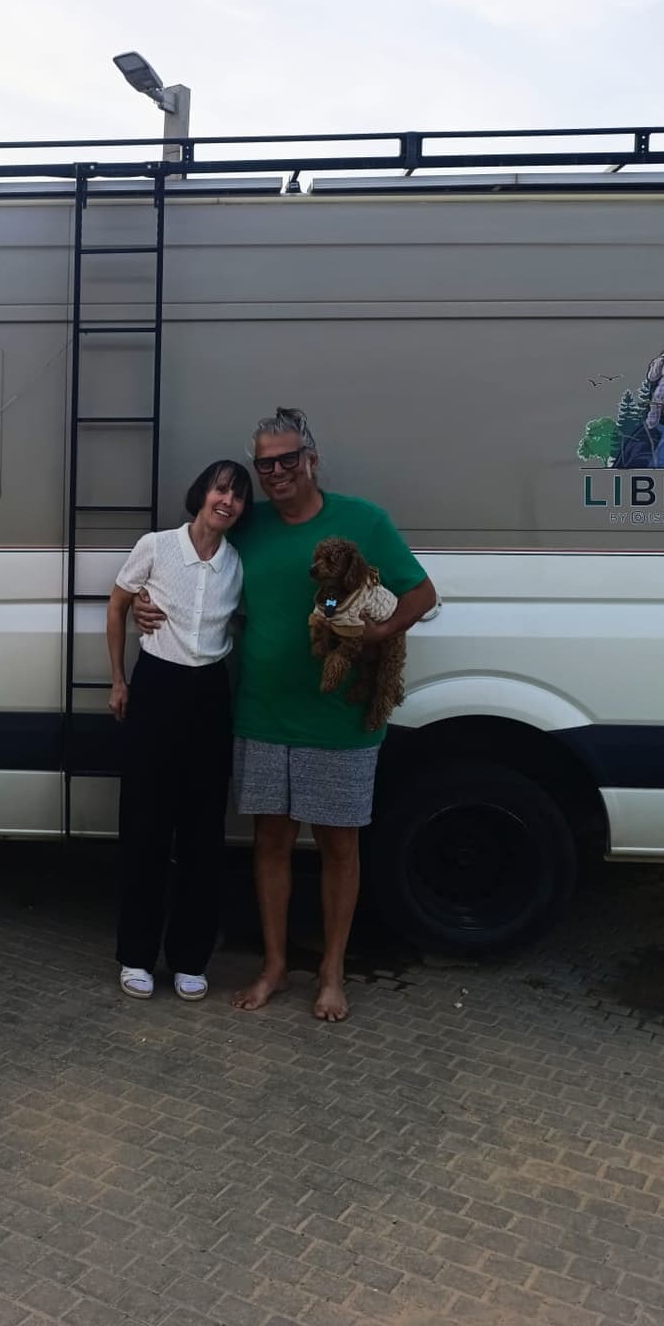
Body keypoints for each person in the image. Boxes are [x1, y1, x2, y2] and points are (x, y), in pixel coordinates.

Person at [133, 409, 436, 1022]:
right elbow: (192, 559)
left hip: (339, 719)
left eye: (287, 459)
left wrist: (377, 634)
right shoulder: (251, 527)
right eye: (264, 464)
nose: (275, 472)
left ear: (312, 459)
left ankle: (331, 974)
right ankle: (273, 966)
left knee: (338, 848)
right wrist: (144, 600)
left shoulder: (363, 520)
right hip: (261, 713)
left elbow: (422, 593)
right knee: (270, 843)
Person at [105, 460, 252, 1001]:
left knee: (201, 834)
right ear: (202, 494)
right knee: (145, 827)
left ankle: (191, 958)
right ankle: (136, 956)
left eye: (238, 496)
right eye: (220, 489)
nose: (227, 501)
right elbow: (119, 605)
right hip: (157, 689)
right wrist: (119, 680)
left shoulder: (238, 564)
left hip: (210, 695)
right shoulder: (157, 546)